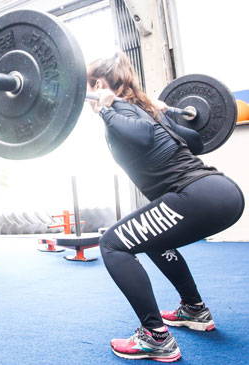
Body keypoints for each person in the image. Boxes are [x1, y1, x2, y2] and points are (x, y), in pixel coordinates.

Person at [87, 52, 245, 362]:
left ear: (100, 83)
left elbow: (144, 136)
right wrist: (166, 117)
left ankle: (155, 336)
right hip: (222, 193)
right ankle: (194, 309)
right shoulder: (146, 111)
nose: (89, 91)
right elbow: (196, 142)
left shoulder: (123, 109)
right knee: (154, 242)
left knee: (112, 245)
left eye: (91, 84)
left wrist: (107, 109)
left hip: (196, 194)